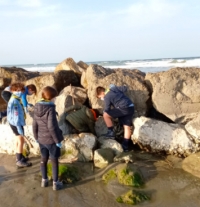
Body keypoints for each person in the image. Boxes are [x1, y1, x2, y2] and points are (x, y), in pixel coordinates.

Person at [32, 86, 64, 191]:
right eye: (54, 97)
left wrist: (36, 137)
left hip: (41, 140)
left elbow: (34, 125)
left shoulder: (36, 107)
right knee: (54, 161)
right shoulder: (50, 108)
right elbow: (51, 127)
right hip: (51, 140)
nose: (55, 99)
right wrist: (57, 141)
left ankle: (44, 181)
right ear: (51, 98)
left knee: (43, 159)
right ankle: (56, 183)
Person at [96, 84, 134, 151]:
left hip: (122, 108)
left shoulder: (107, 97)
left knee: (105, 115)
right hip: (130, 107)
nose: (102, 99)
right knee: (127, 127)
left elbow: (107, 109)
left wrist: (104, 112)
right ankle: (125, 146)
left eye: (100, 97)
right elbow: (125, 88)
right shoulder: (114, 89)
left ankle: (110, 132)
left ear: (102, 93)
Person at [7, 82, 32, 168]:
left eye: (21, 90)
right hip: (16, 123)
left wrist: (27, 105)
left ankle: (20, 157)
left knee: (18, 140)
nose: (21, 92)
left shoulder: (15, 98)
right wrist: (19, 129)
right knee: (21, 140)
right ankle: (19, 160)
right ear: (14, 91)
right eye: (19, 91)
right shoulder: (14, 101)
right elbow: (16, 116)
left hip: (13, 122)